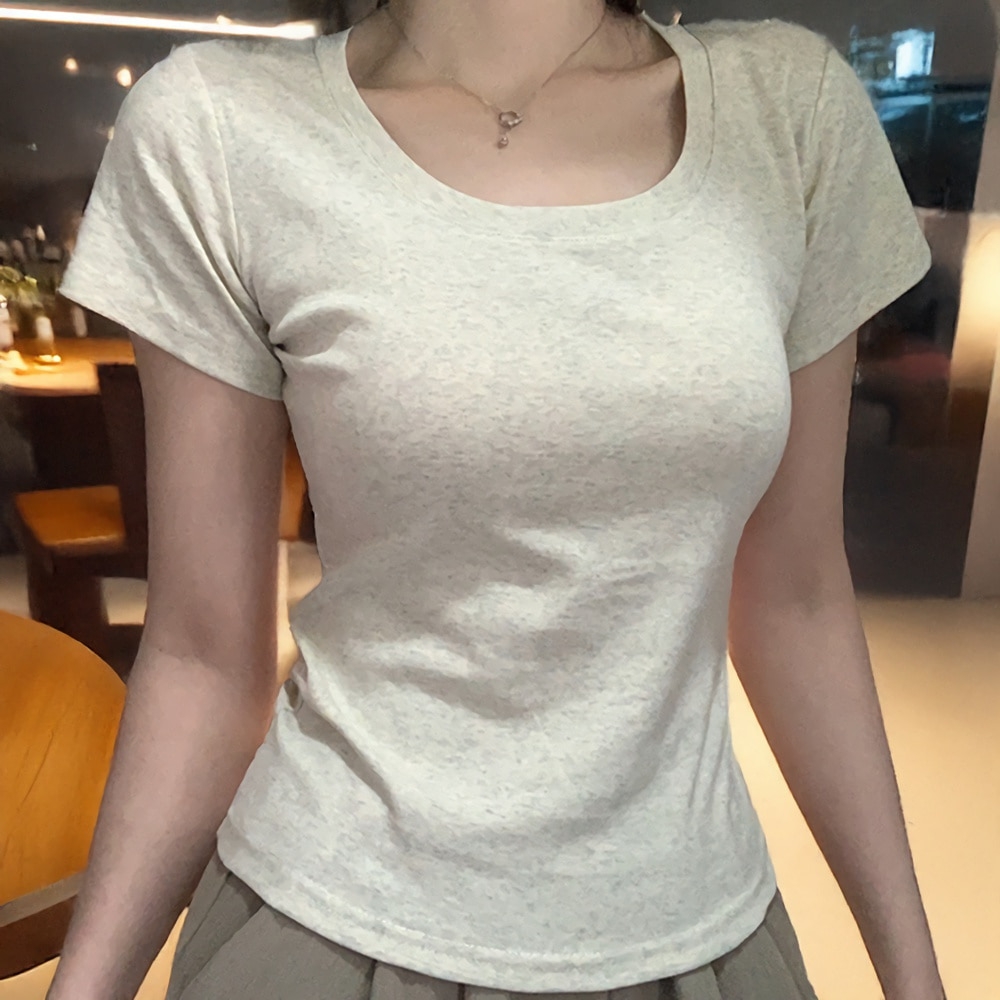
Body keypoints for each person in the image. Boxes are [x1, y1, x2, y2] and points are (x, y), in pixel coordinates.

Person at [48, 1, 946, 998]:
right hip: (329, 926)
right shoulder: (216, 128)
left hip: (699, 930)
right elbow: (201, 654)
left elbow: (798, 595)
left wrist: (915, 977)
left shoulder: (790, 109)